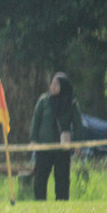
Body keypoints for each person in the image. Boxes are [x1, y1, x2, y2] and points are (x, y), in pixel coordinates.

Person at [30, 72, 83, 201]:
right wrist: (33, 140)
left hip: (62, 148)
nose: (52, 87)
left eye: (56, 84)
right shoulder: (43, 101)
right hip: (44, 147)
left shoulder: (71, 104)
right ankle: (39, 203)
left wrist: (78, 143)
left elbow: (77, 125)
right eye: (52, 84)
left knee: (62, 178)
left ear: (63, 87)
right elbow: (36, 121)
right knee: (40, 178)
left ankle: (62, 202)